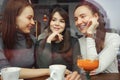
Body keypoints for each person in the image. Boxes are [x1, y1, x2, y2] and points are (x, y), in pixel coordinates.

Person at [0, 0, 49, 79]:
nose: (33, 22)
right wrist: (48, 71)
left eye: (33, 18)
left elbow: (40, 66)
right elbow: (5, 72)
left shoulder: (32, 40)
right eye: (29, 18)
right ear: (14, 18)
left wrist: (49, 41)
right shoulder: (1, 41)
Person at [73, 0, 120, 75]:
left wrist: (90, 34)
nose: (78, 22)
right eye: (76, 19)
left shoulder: (113, 38)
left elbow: (95, 67)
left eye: (83, 16)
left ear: (95, 17)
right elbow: (82, 71)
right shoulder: (79, 42)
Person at [36, 5, 81, 80]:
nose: (57, 24)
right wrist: (48, 40)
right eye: (54, 20)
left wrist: (75, 74)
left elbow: (76, 67)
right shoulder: (41, 42)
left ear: (65, 25)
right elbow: (43, 67)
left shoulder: (74, 41)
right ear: (49, 22)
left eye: (61, 21)